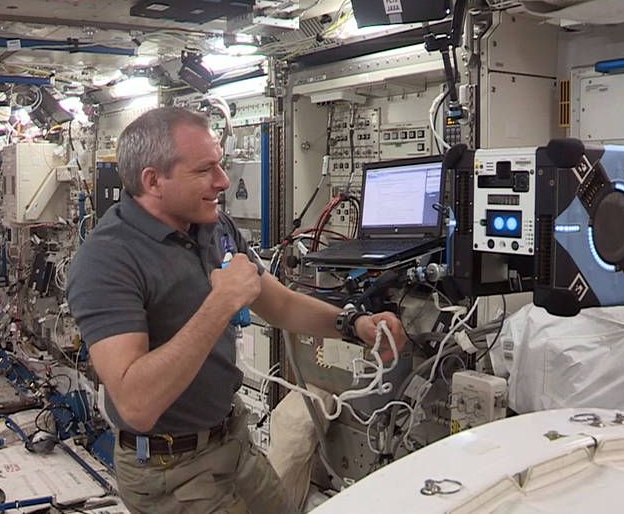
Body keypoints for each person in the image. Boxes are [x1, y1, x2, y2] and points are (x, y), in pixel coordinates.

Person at [67, 106, 406, 513]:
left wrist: (354, 324)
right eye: (204, 170)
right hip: (169, 469)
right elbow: (136, 405)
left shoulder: (212, 226)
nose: (223, 181)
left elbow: (277, 303)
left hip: (232, 441)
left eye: (221, 165)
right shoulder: (107, 258)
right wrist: (222, 302)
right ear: (153, 180)